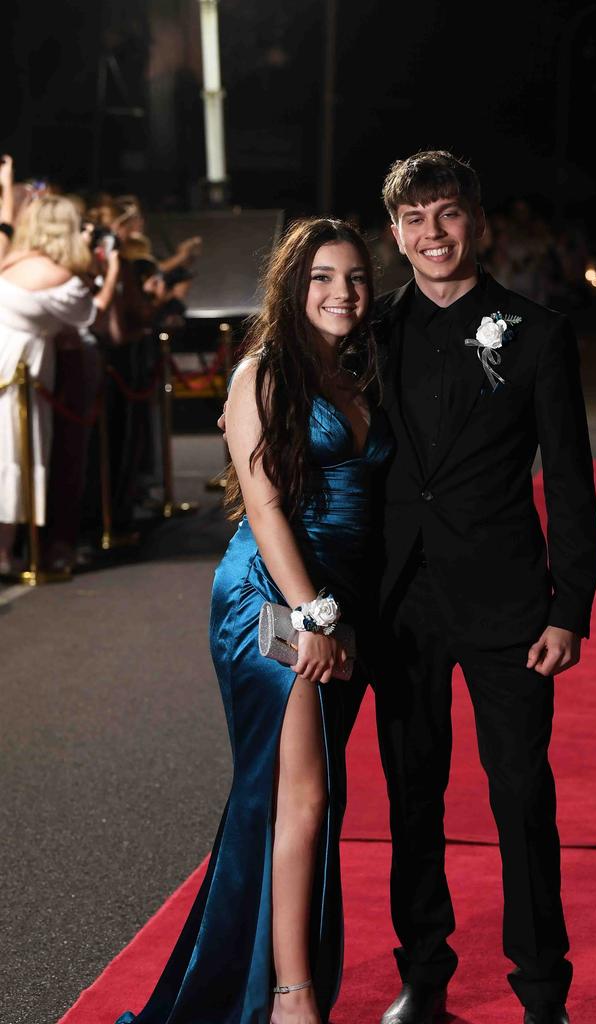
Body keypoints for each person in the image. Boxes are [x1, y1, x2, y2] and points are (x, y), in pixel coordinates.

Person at [117, 218, 392, 1024]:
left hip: (337, 598)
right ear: (291, 287)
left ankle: (238, 983)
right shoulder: (262, 373)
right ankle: (291, 999)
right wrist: (313, 613)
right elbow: (267, 506)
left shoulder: (357, 371)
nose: (341, 293)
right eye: (321, 279)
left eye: (354, 278)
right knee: (301, 796)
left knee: (289, 794)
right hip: (274, 595)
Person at [370, 151, 596, 1024]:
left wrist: (570, 607)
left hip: (509, 604)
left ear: (477, 221)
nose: (433, 234)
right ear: (395, 233)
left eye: (447, 214)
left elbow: (571, 483)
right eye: (415, 219)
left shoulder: (539, 332)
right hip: (399, 605)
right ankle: (423, 975)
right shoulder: (372, 332)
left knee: (520, 799)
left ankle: (544, 991)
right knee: (410, 795)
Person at [0, 195, 119, 575]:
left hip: (10, 358)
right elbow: (90, 316)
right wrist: (112, 270)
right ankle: (5, 552)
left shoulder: (12, 262)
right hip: (23, 368)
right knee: (17, 453)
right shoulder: (58, 275)